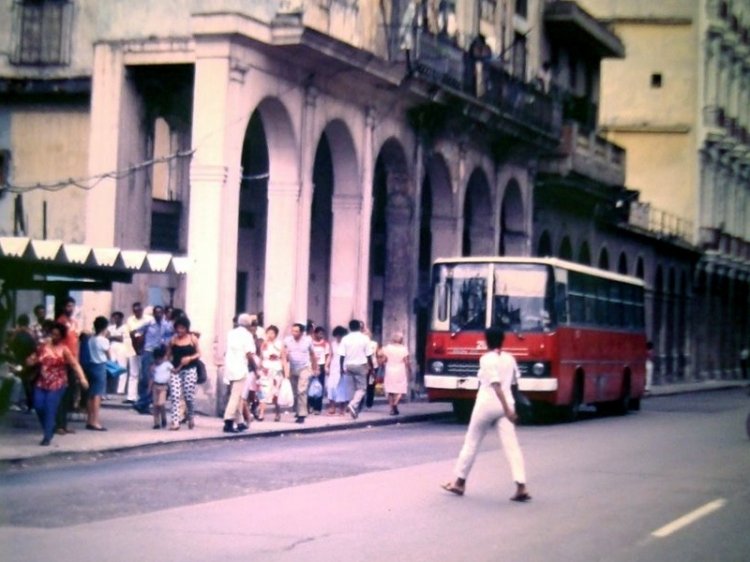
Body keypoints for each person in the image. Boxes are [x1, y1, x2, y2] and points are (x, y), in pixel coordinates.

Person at [442, 327, 531, 502]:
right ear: (503, 340)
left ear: (486, 340)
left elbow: (495, 385)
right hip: (507, 404)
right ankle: (521, 486)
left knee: (472, 442)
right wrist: (509, 409)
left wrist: (505, 407)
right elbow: (514, 384)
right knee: (512, 446)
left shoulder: (486, 359)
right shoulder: (510, 358)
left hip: (487, 404)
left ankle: (459, 482)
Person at [27, 322, 89, 446]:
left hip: (58, 382)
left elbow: (74, 364)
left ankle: (47, 435)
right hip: (42, 381)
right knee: (38, 405)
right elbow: (32, 359)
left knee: (50, 407)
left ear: (61, 337)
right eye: (53, 334)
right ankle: (50, 425)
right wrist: (29, 361)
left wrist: (82, 378)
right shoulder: (42, 346)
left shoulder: (64, 349)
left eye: (57, 335)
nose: (54, 336)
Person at [134, 305, 173, 414]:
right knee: (146, 378)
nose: (158, 315)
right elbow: (136, 332)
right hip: (148, 352)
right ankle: (142, 403)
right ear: (154, 313)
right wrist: (138, 347)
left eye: (160, 312)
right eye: (156, 312)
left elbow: (171, 334)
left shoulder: (165, 325)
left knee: (158, 379)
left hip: (159, 355)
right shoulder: (149, 323)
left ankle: (143, 404)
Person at [222, 313, 256, 433]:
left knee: (236, 395)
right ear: (249, 324)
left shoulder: (231, 333)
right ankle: (228, 421)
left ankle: (240, 422)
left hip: (230, 367)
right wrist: (255, 368)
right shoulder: (247, 335)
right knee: (236, 396)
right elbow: (249, 354)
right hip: (240, 368)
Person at [167, 316, 200, 430]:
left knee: (188, 396)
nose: (180, 330)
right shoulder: (173, 340)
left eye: (182, 328)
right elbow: (168, 355)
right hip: (176, 371)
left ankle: (190, 416)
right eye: (178, 328)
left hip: (190, 370)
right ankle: (175, 421)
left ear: (186, 329)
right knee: (175, 396)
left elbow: (199, 353)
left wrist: (190, 358)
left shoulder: (192, 339)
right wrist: (169, 366)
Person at [338, 319, 375, 419]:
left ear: (349, 327)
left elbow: (341, 355)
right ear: (359, 327)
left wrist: (341, 367)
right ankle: (353, 404)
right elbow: (368, 354)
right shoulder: (365, 338)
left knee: (351, 388)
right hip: (361, 365)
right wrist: (371, 366)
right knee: (362, 388)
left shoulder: (345, 339)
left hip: (348, 365)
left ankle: (353, 409)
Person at [55, 296, 81, 434]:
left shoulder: (74, 322)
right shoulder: (61, 322)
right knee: (61, 394)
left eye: (72, 306)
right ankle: (58, 425)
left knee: (68, 395)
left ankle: (63, 424)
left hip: (72, 362)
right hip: (62, 362)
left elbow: (75, 343)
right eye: (68, 306)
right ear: (64, 307)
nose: (70, 308)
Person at [281, 322, 317, 424]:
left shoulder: (307, 340)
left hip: (305, 367)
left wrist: (315, 367)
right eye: (293, 331)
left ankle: (302, 414)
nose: (294, 333)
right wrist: (285, 369)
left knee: (301, 390)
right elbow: (283, 354)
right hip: (292, 368)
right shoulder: (288, 340)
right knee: (294, 391)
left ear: (301, 332)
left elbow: (312, 354)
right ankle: (297, 410)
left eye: (296, 331)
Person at [85, 316, 111, 431]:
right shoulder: (104, 340)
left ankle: (89, 419)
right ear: (104, 327)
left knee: (90, 394)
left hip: (91, 365)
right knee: (97, 395)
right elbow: (109, 355)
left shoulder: (91, 339)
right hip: (100, 366)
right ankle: (95, 421)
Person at [8, 314, 38, 411]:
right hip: (29, 362)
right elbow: (35, 348)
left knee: (21, 381)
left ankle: (21, 402)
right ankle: (29, 404)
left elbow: (11, 348)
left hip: (19, 361)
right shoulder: (31, 334)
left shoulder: (15, 334)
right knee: (27, 383)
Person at [124, 302, 151, 403]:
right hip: (133, 347)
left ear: (142, 310)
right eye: (135, 311)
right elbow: (132, 333)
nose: (137, 312)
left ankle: (143, 397)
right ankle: (131, 396)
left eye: (139, 310)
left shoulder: (148, 319)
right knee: (133, 373)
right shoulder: (130, 320)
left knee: (144, 374)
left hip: (145, 348)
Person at [380, 332, 412, 415]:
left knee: (390, 390)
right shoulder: (404, 349)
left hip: (389, 368)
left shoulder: (387, 348)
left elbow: (383, 360)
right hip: (400, 369)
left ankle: (391, 408)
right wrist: (409, 370)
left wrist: (382, 364)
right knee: (400, 389)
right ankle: (395, 404)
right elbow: (406, 362)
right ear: (401, 340)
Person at [259, 325, 283, 422]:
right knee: (263, 391)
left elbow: (283, 357)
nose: (270, 335)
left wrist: (286, 372)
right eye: (268, 333)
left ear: (276, 334)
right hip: (266, 368)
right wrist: (261, 367)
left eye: (272, 333)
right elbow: (260, 357)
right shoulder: (264, 344)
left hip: (276, 368)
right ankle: (261, 413)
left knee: (275, 393)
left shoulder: (279, 344)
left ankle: (277, 412)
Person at [326, 325, 350, 415]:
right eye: (337, 335)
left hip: (344, 367)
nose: (338, 337)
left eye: (340, 336)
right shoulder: (332, 344)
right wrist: (326, 366)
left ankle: (342, 408)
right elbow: (330, 355)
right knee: (331, 387)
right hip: (334, 366)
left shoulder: (347, 345)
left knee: (342, 388)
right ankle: (332, 406)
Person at [310, 326, 331, 414]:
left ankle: (317, 408)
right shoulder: (311, 343)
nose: (321, 335)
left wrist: (326, 366)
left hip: (321, 365)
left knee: (319, 387)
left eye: (322, 334)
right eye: (319, 333)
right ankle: (310, 405)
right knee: (310, 387)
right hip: (312, 366)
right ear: (315, 333)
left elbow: (328, 356)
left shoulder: (325, 344)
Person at [106, 311, 127, 398]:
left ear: (121, 318)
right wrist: (114, 337)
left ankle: (120, 390)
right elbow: (107, 336)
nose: (116, 319)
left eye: (118, 317)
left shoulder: (125, 327)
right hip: (112, 347)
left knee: (122, 367)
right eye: (115, 318)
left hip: (122, 348)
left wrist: (112, 337)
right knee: (111, 367)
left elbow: (122, 338)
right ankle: (110, 388)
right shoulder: (111, 327)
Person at [149, 345, 170, 429]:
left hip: (163, 386)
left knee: (161, 403)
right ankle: (156, 422)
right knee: (155, 405)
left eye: (159, 359)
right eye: (156, 359)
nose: (158, 361)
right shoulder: (153, 366)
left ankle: (164, 418)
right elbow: (152, 377)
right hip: (155, 386)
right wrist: (149, 388)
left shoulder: (167, 365)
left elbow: (174, 371)